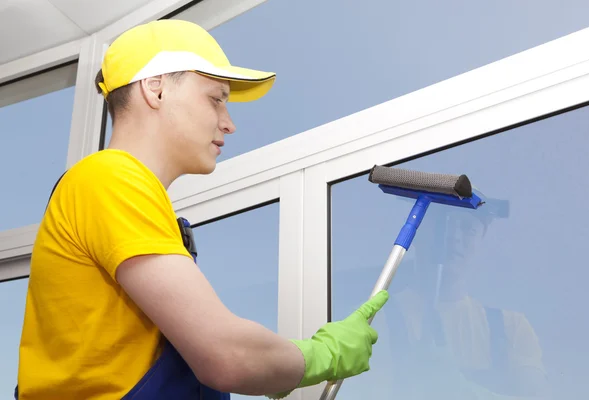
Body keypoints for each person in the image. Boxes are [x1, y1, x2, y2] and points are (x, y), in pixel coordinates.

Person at [15, 19, 388, 400]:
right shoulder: (109, 178)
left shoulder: (125, 194)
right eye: (216, 98)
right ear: (155, 88)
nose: (229, 124)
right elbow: (226, 356)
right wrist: (326, 354)